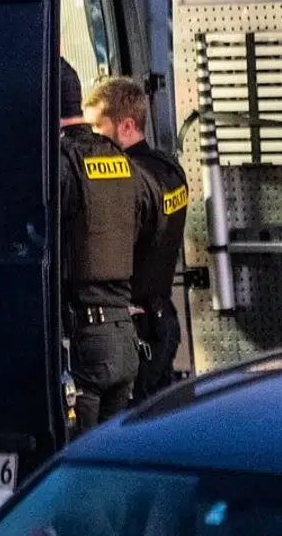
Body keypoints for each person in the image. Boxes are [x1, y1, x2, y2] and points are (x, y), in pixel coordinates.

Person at [83, 76, 188, 403]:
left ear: (126, 126)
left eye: (98, 129)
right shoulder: (170, 168)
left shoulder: (125, 182)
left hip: (135, 327)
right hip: (162, 320)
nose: (93, 139)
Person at [58, 58, 142, 432]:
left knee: (81, 466)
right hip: (126, 336)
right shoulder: (120, 160)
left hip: (89, 340)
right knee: (113, 464)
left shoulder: (60, 163)